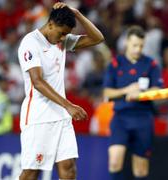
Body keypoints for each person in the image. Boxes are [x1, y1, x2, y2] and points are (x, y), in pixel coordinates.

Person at [17, 2, 104, 180]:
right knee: (32, 173)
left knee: (68, 167)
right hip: (38, 118)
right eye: (62, 32)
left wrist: (77, 14)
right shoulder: (30, 43)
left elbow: (97, 38)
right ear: (50, 24)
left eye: (67, 34)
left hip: (62, 117)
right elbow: (38, 82)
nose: (63, 37)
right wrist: (69, 105)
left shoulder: (62, 40)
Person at [103, 25, 163, 180]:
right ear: (127, 43)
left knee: (140, 169)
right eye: (135, 45)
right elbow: (107, 93)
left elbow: (159, 91)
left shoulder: (151, 64)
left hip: (143, 118)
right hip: (121, 117)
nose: (138, 49)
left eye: (141, 46)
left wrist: (141, 94)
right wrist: (126, 91)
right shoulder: (116, 64)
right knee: (114, 161)